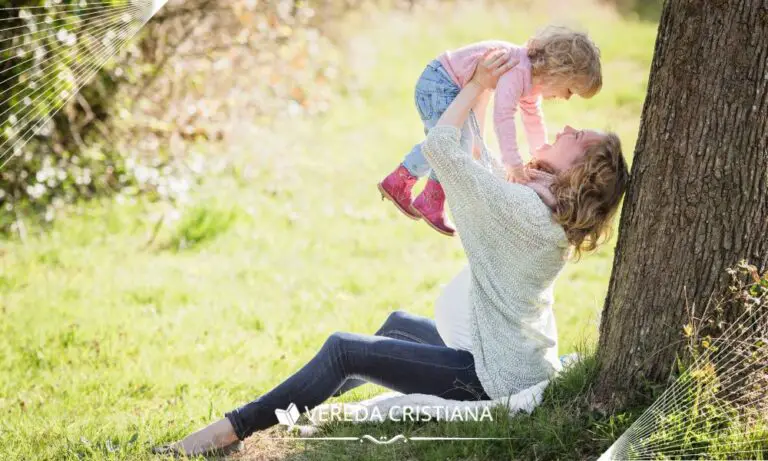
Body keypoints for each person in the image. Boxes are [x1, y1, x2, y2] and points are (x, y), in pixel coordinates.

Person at [153, 49, 628, 458]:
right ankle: (297, 405)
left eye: (579, 137)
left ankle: (231, 430)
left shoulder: (523, 211)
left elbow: (442, 147)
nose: (567, 126)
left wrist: (479, 85)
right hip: (508, 355)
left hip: (491, 377)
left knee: (345, 349)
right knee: (396, 325)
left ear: (581, 173)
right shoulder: (545, 208)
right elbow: (486, 164)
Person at [377, 25, 602, 237]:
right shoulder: (518, 69)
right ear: (559, 71)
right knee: (450, 142)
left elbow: (533, 119)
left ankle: (414, 188)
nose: (565, 98)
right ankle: (420, 191)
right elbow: (503, 117)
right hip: (439, 84)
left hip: (446, 85)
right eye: (570, 90)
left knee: (452, 143)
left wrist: (539, 153)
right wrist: (512, 163)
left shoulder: (530, 80)